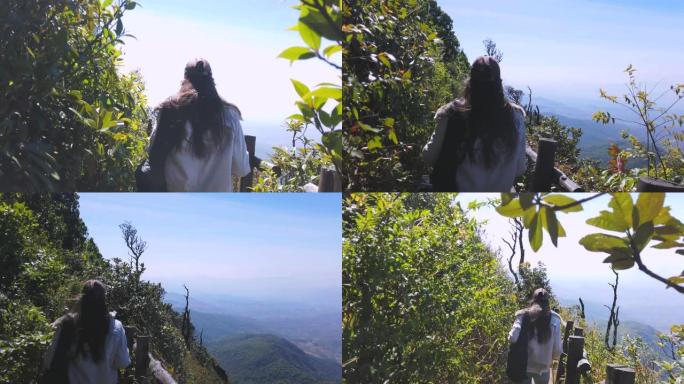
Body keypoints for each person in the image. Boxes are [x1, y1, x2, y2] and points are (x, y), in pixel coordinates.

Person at [422, 55, 527, 191]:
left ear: (470, 83)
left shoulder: (452, 114)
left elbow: (428, 156)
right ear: (499, 83)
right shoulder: (516, 118)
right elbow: (519, 169)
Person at [147, 58, 251, 191]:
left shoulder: (171, 110)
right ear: (211, 82)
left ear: (185, 78)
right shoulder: (230, 116)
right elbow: (241, 169)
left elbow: (154, 154)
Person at [42, 280, 130, 384]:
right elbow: (122, 363)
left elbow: (49, 361)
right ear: (103, 300)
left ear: (82, 298)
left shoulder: (68, 325)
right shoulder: (116, 327)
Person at [508, 288, 562, 384]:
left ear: (533, 299)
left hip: (524, 365)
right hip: (544, 367)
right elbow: (557, 349)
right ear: (548, 301)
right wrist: (553, 358)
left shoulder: (523, 315)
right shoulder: (555, 319)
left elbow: (512, 337)